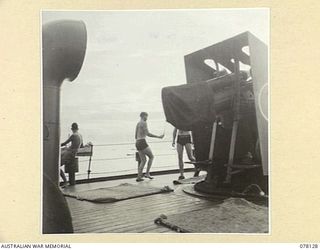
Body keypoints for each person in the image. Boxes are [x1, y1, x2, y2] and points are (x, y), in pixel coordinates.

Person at [135, 112, 164, 182]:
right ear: (143, 116)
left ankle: (139, 177)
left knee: (143, 160)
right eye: (146, 116)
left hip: (137, 142)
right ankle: (147, 173)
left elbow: (135, 135)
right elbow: (148, 134)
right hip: (142, 142)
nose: (147, 118)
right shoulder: (144, 123)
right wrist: (158, 137)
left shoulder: (138, 123)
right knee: (151, 157)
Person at [60, 122, 83, 187]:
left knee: (57, 166)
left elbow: (64, 143)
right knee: (64, 150)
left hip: (70, 154)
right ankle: (68, 182)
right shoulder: (80, 135)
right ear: (77, 128)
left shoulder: (73, 135)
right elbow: (81, 146)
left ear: (72, 128)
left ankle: (65, 182)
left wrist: (56, 144)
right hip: (74, 153)